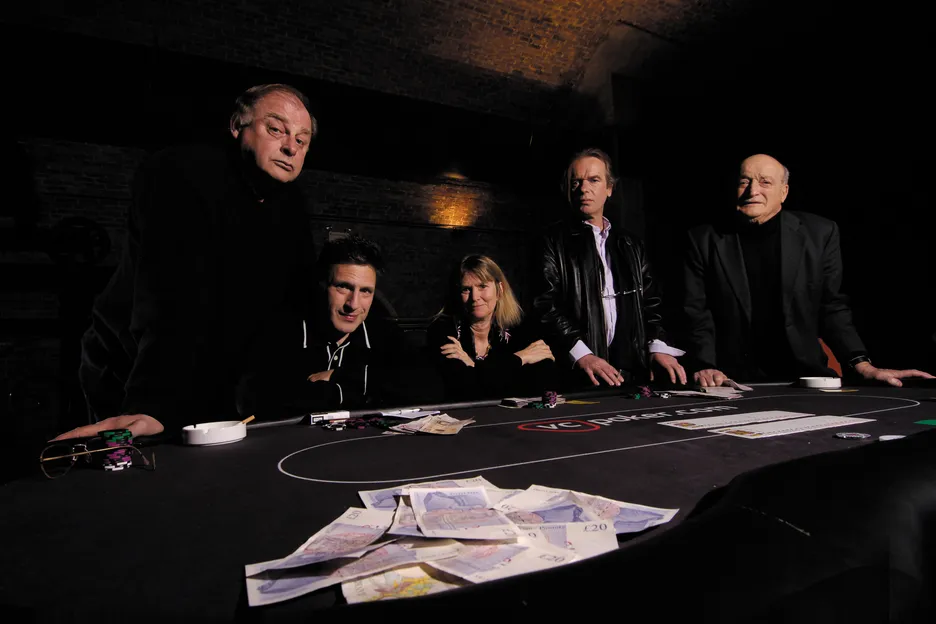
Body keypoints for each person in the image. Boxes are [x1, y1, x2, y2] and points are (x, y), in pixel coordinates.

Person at [56, 84, 318, 440]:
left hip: (224, 383)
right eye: (276, 129)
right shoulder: (181, 173)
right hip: (134, 370)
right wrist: (153, 403)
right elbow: (173, 295)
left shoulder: (293, 206)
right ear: (236, 126)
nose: (291, 147)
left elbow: (295, 301)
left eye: (302, 140)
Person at [683, 153, 933, 387]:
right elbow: (697, 311)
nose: (753, 191)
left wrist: (861, 364)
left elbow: (832, 306)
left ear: (784, 192)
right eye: (744, 182)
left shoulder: (820, 233)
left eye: (765, 182)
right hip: (730, 379)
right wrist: (706, 365)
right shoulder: (702, 239)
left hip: (803, 375)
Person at [534, 148, 686, 389]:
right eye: (576, 182)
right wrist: (582, 355)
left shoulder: (632, 245)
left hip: (633, 375)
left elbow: (652, 304)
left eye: (594, 180)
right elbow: (544, 306)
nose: (584, 189)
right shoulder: (551, 240)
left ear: (609, 188)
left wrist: (657, 347)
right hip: (578, 376)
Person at [244, 234, 438, 415]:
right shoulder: (283, 332)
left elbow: (429, 386)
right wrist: (359, 392)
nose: (353, 304)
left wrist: (345, 376)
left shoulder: (383, 333)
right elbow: (259, 399)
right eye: (343, 287)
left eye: (366, 291)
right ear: (322, 285)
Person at [427, 255, 556, 400]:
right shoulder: (443, 329)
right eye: (466, 289)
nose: (475, 297)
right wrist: (521, 358)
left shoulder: (520, 326)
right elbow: (462, 388)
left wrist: (473, 367)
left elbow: (542, 384)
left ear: (499, 290)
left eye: (482, 286)